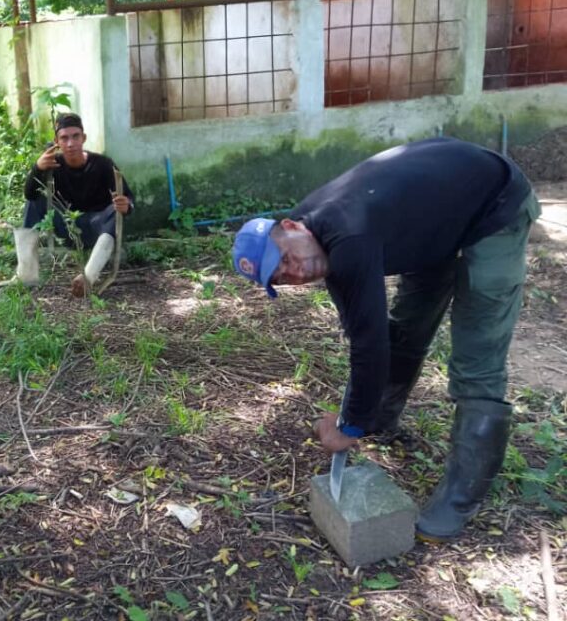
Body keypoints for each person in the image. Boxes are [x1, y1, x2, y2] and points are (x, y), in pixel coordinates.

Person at [231, 137, 540, 542]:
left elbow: (368, 342)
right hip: (435, 223)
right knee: (408, 324)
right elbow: (364, 330)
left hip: (493, 204)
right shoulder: (319, 238)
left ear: (290, 226)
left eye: (287, 259)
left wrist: (351, 425)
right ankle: (381, 416)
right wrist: (358, 418)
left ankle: (462, 498)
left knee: (476, 353)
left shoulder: (348, 235)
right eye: (282, 278)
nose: (296, 273)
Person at [14, 113, 134, 297]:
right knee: (35, 202)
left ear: (83, 138)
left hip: (97, 228)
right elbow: (30, 195)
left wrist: (127, 206)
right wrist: (37, 168)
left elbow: (127, 198)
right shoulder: (53, 164)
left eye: (75, 136)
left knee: (113, 210)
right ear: (57, 141)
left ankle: (88, 278)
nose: (70, 143)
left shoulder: (102, 164)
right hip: (67, 226)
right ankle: (26, 274)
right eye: (64, 138)